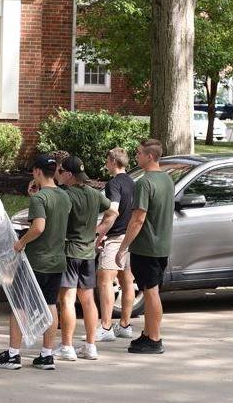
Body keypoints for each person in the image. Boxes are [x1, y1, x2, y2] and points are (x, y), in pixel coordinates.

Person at [0, 153, 70, 371]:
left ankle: (14, 355)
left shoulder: (39, 199)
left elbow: (39, 227)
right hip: (57, 259)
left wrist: (21, 242)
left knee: (19, 306)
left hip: (36, 260)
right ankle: (46, 354)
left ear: (36, 172)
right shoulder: (64, 196)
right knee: (50, 305)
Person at [55, 156, 117, 361]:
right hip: (88, 253)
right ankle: (90, 345)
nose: (59, 174)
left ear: (70, 174)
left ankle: (67, 346)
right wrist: (98, 232)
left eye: (62, 171)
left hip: (69, 251)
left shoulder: (65, 195)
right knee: (88, 300)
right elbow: (112, 212)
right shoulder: (94, 194)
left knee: (67, 300)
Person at [116, 138, 174, 355]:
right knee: (152, 291)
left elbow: (138, 218)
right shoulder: (167, 180)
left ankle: (155, 339)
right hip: (162, 245)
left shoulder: (144, 182)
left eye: (139, 153)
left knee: (150, 293)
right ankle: (148, 334)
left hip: (146, 247)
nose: (136, 156)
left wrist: (123, 247)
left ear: (150, 156)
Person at [96, 147, 136, 343]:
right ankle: (125, 325)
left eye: (107, 160)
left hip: (115, 238)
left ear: (113, 161)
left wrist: (99, 233)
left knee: (105, 280)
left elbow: (113, 211)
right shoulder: (133, 182)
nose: (106, 163)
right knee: (127, 281)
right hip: (130, 238)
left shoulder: (113, 184)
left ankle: (105, 326)